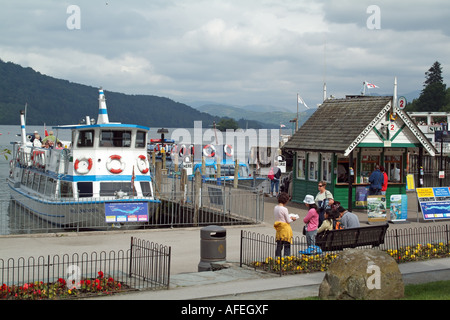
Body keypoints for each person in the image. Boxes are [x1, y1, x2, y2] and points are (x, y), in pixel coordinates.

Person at [273, 192, 297, 257]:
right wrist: (293, 218)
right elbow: (288, 220)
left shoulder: (275, 207)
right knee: (287, 247)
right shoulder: (284, 209)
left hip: (279, 228)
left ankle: (277, 259)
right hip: (285, 229)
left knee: (279, 246)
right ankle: (286, 259)